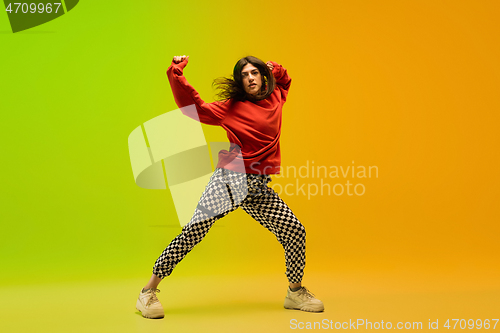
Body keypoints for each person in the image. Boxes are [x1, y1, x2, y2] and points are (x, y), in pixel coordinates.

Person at [136, 55, 324, 319]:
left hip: (257, 185)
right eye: (245, 74)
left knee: (293, 230)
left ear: (262, 77)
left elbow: (284, 80)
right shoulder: (230, 108)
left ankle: (295, 292)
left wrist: (276, 68)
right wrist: (176, 72)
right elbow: (194, 107)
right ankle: (147, 291)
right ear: (240, 81)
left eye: (255, 73)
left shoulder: (277, 97)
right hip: (230, 180)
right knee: (194, 231)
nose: (250, 78)